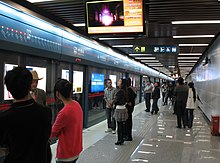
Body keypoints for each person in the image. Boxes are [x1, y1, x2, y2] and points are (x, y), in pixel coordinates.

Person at [0, 67, 52, 163]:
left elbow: (5, 147)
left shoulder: (4, 119)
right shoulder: (46, 112)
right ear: (29, 86)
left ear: (8, 89)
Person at [51, 79, 83, 163]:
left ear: (57, 94)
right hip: (76, 150)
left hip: (66, 154)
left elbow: (52, 133)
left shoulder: (64, 112)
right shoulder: (77, 104)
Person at [114, 78, 128, 145]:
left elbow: (116, 101)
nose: (118, 82)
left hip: (119, 109)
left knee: (119, 126)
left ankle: (119, 139)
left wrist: (114, 102)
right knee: (122, 125)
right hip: (124, 108)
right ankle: (122, 138)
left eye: (119, 81)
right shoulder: (125, 91)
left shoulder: (120, 91)